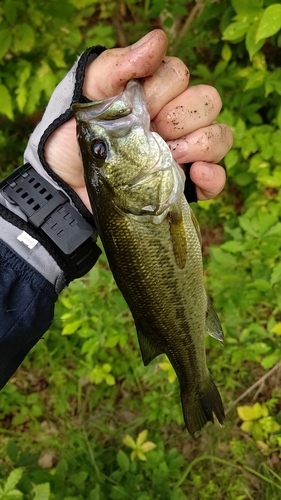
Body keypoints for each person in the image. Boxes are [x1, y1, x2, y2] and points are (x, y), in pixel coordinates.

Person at [0, 30, 232, 390]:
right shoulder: (144, 199)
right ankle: (195, 381)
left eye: (98, 152)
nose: (102, 138)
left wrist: (50, 189)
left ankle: (193, 377)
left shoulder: (142, 196)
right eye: (101, 152)